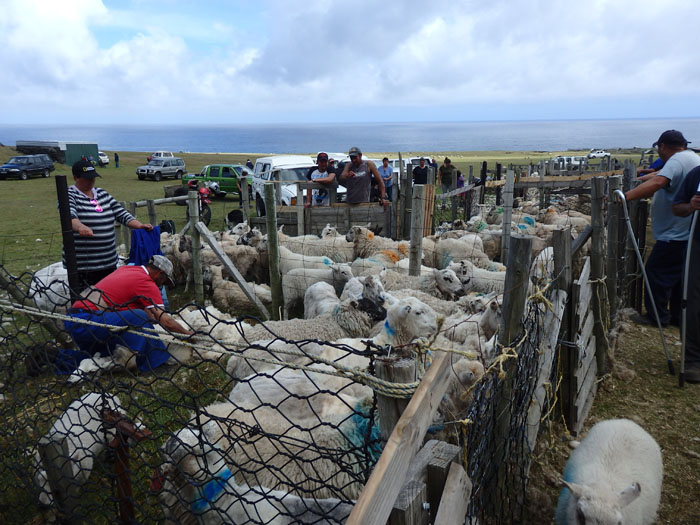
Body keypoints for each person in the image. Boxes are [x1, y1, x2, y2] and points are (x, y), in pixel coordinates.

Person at [65, 255, 195, 373]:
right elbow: (163, 319)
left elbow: (150, 319)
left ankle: (57, 357)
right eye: (164, 281)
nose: (162, 285)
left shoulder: (127, 270)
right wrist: (188, 334)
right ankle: (156, 363)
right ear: (160, 274)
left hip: (77, 322)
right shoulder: (146, 282)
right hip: (87, 320)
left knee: (101, 357)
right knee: (138, 316)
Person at [624, 130, 700, 326]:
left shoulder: (676, 160)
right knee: (676, 277)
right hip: (685, 232)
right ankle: (676, 316)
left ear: (663, 146)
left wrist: (624, 197)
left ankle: (656, 317)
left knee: (656, 274)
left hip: (674, 234)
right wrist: (639, 181)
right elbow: (658, 175)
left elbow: (659, 181)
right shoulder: (690, 157)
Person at [65, 159, 153, 291]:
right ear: (76, 177)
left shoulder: (102, 194)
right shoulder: (69, 195)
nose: (91, 181)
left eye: (93, 178)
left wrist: (139, 225)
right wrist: (80, 227)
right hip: (84, 266)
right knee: (86, 301)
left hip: (108, 262)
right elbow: (68, 216)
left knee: (108, 299)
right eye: (86, 178)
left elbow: (121, 213)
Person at [672, 164, 700, 383]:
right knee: (692, 300)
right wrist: (690, 206)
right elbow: (677, 207)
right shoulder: (697, 174)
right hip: (698, 244)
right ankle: (692, 359)